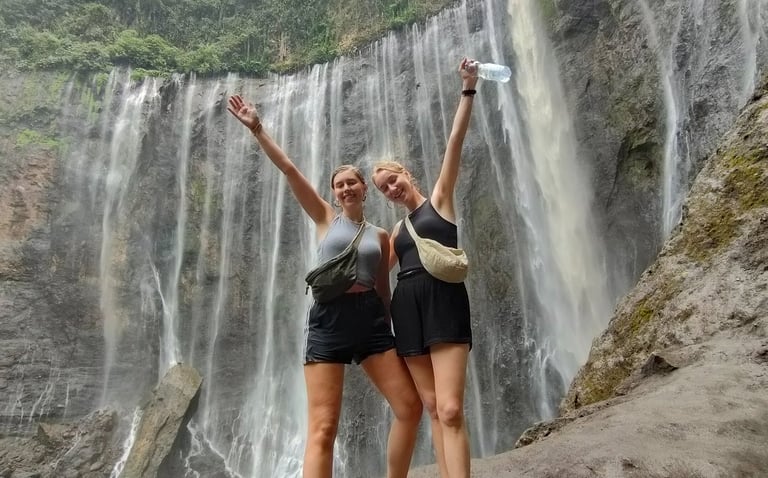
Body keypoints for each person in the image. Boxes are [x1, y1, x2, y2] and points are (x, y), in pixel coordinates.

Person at [227, 94, 422, 478]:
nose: (346, 189)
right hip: (328, 320)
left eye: (352, 183)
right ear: (333, 192)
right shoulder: (324, 218)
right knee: (323, 427)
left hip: (371, 323)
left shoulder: (381, 236)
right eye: (339, 185)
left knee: (410, 407)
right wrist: (258, 128)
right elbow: (289, 170)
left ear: (365, 188)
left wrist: (396, 331)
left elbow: (384, 290)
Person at [371, 58, 479, 478]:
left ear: (406, 173)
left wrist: (467, 88)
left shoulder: (440, 201)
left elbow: (454, 142)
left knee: (451, 408)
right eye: (383, 188)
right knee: (432, 407)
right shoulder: (396, 231)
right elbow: (375, 275)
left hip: (443, 302)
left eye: (392, 180)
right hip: (407, 311)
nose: (390, 189)